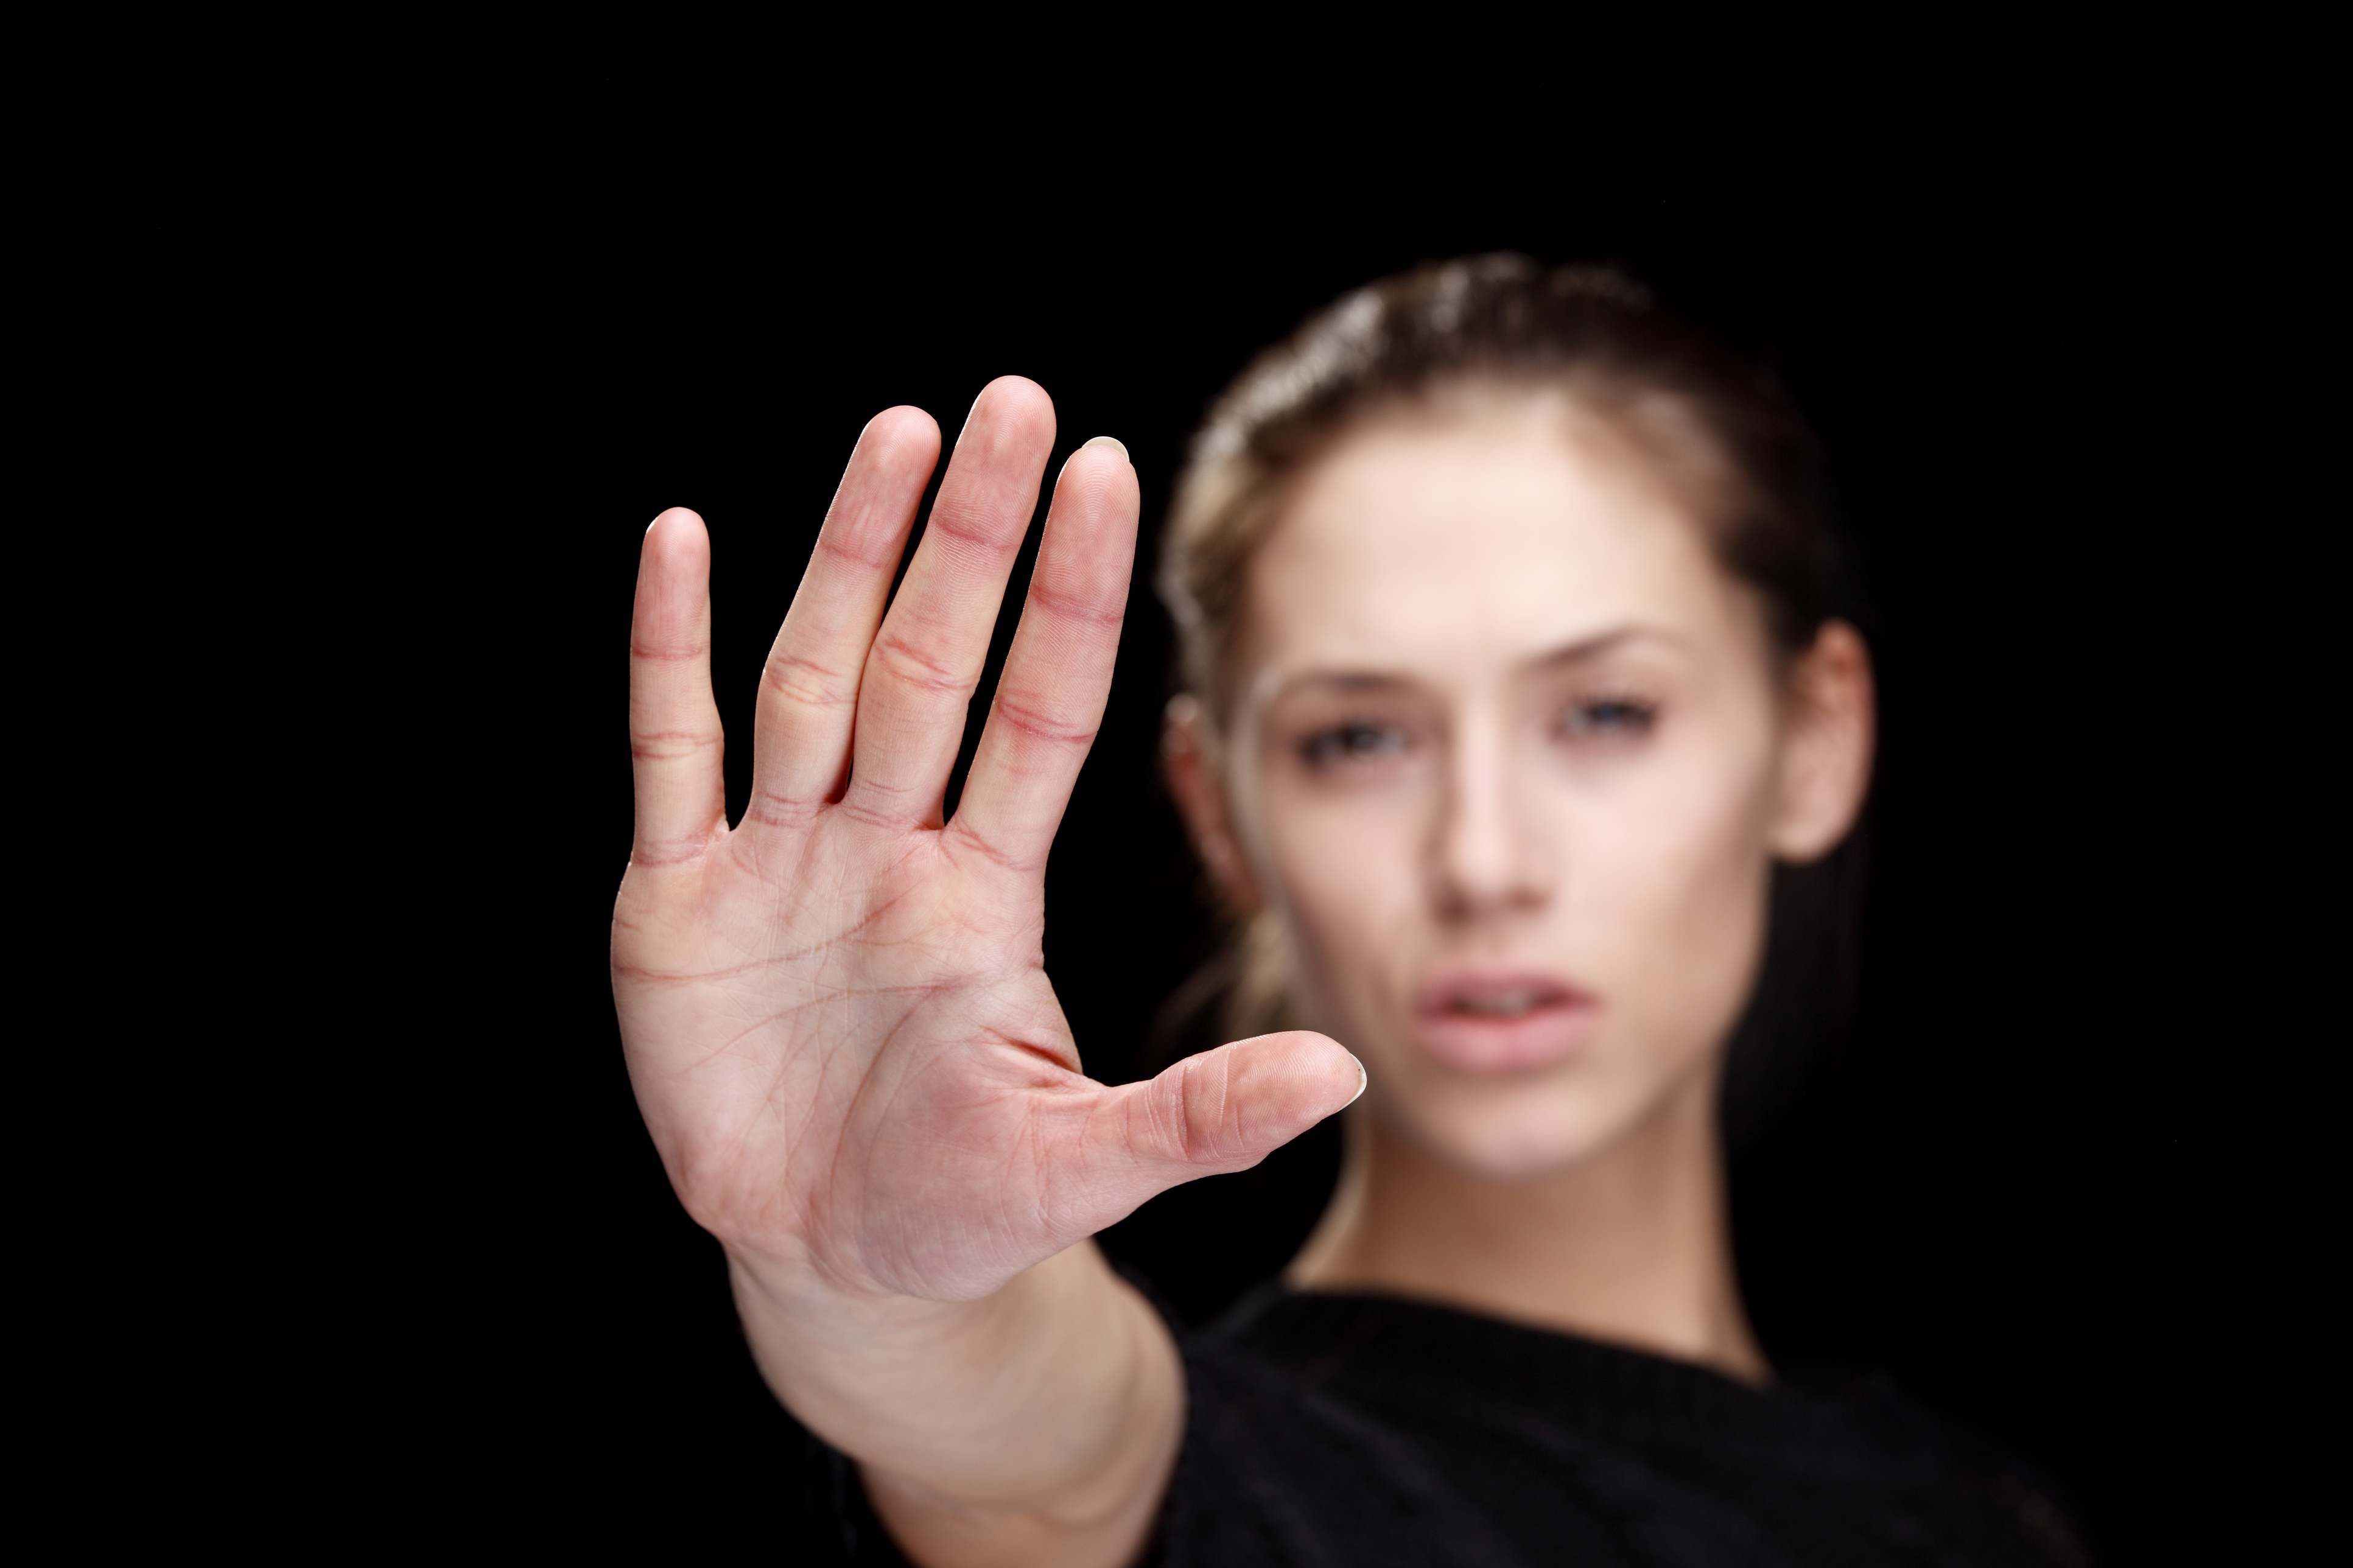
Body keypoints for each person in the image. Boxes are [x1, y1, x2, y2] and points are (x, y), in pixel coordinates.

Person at [611, 256, 2084, 1566]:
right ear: (1217, 809)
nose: (1485, 859)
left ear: (1813, 741)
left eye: (1607, 712)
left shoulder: (1982, 1512)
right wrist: (889, 1306)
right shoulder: (1220, 1483)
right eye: (1357, 739)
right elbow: (1055, 1459)